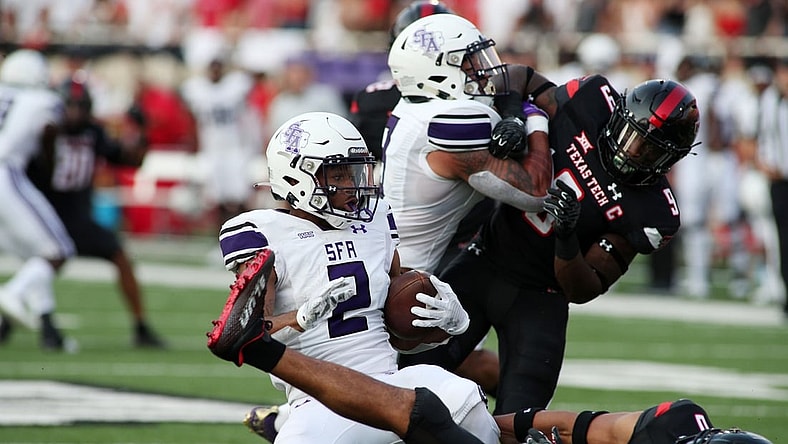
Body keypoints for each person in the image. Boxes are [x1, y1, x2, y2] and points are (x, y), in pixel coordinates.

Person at [207, 252, 772, 444]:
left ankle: (262, 358)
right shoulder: (677, 425)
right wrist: (514, 425)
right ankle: (273, 383)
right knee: (439, 402)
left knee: (424, 410)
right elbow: (590, 426)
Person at [400, 67, 700, 417]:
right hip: (484, 261)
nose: (633, 153)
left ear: (671, 159)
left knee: (519, 423)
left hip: (541, 300)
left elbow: (583, 288)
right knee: (405, 381)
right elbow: (517, 76)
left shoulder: (653, 211)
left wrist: (567, 237)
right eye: (632, 137)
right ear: (618, 114)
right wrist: (513, 116)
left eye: (650, 152)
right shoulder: (591, 101)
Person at [210, 111, 499, 443]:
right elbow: (248, 332)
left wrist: (448, 320)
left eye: (356, 171)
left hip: (390, 381)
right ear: (297, 177)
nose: (354, 184)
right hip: (318, 400)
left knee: (468, 403)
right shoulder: (262, 232)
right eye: (339, 173)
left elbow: (396, 314)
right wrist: (300, 319)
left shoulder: (376, 220)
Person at [383, 13, 553, 397]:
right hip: (402, 286)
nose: (482, 71)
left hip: (390, 268)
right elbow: (536, 191)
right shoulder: (451, 120)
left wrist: (510, 111)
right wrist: (533, 116)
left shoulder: (414, 108)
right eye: (469, 62)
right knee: (439, 405)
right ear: (440, 71)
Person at [24, 75, 165, 348]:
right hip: (45, 215)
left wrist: (142, 132)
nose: (76, 112)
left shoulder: (93, 132)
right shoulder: (43, 131)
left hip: (78, 217)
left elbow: (130, 160)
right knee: (44, 264)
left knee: (119, 257)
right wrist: (47, 143)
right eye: (71, 106)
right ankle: (42, 324)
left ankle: (141, 326)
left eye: (81, 106)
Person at [0, 49, 76, 351]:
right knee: (58, 251)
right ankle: (13, 293)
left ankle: (49, 330)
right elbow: (48, 131)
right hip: (6, 173)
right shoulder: (42, 101)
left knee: (36, 256)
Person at [180, 52, 259, 229]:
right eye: (212, 67)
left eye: (218, 67)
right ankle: (223, 239)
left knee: (240, 197)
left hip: (236, 148)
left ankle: (247, 237)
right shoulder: (197, 89)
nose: (215, 71)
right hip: (212, 149)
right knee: (217, 199)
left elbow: (251, 83)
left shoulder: (235, 85)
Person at [752, 56, 788, 317]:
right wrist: (763, 163)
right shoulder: (770, 101)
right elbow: (760, 138)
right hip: (779, 180)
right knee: (783, 240)